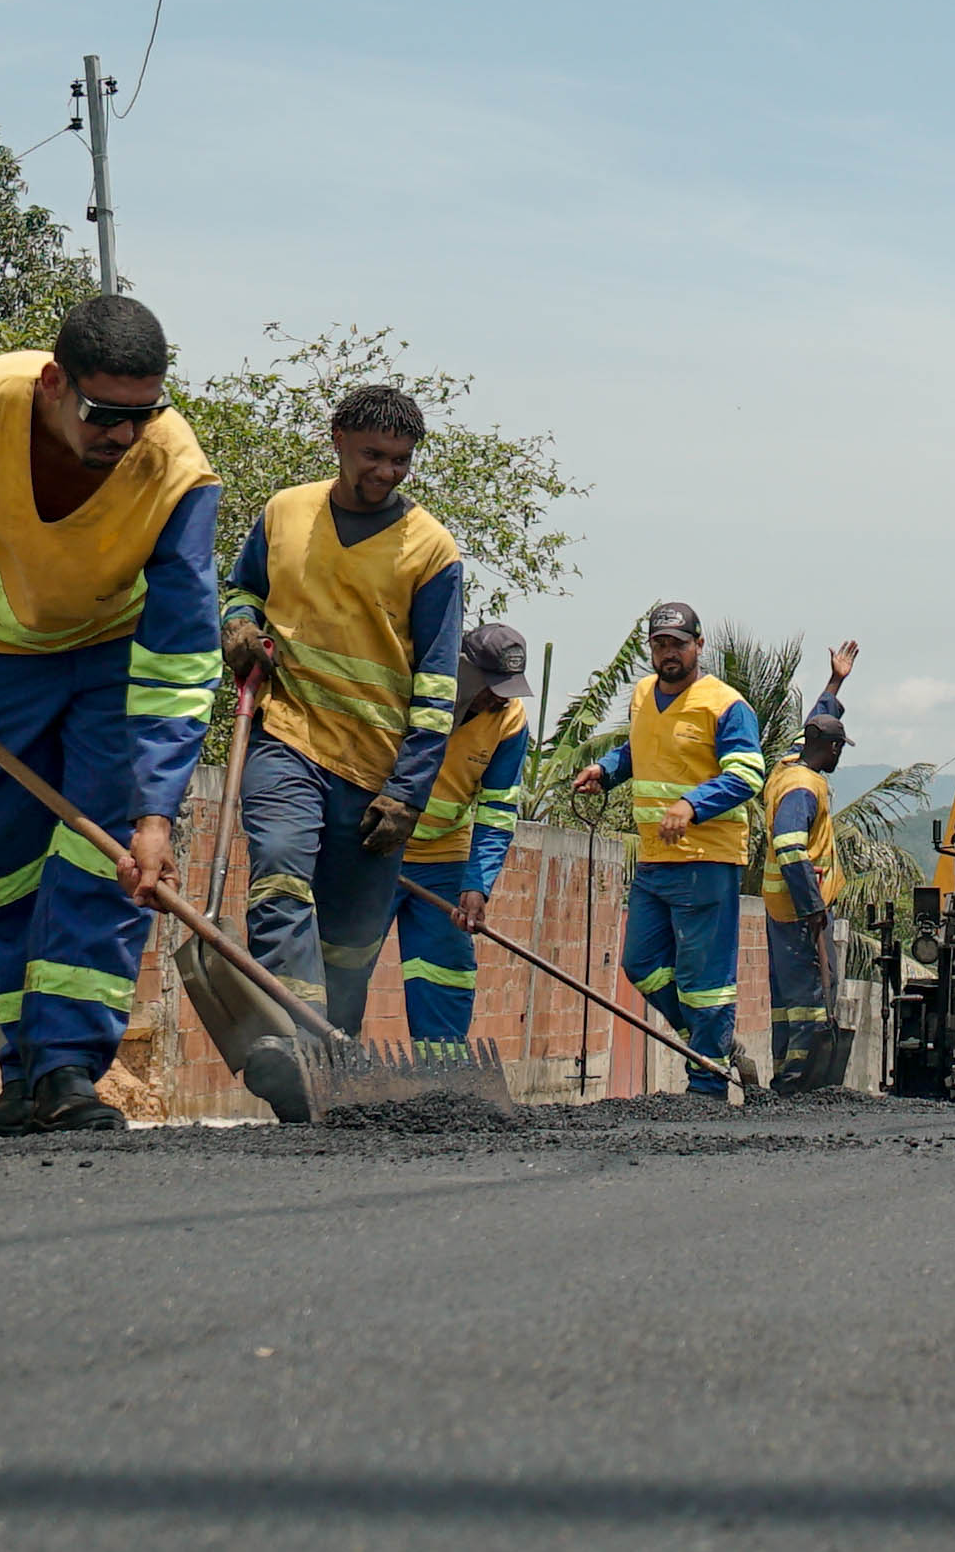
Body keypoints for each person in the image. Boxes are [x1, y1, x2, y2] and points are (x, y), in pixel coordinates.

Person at [0, 295, 222, 1137]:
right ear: (53, 383)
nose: (125, 437)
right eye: (106, 415)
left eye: (146, 416)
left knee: (99, 855)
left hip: (115, 655)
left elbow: (181, 654)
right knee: (10, 866)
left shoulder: (178, 475)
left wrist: (155, 813)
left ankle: (70, 1069)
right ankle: (20, 1074)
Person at [217, 387, 465, 1034]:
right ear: (338, 440)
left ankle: (326, 1071)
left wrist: (408, 793)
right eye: (373, 455)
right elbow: (245, 588)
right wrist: (239, 626)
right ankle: (294, 1034)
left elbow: (438, 687)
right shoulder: (284, 513)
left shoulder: (432, 552)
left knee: (349, 949)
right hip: (285, 738)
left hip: (374, 776)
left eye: (401, 461)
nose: (385, 472)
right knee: (277, 872)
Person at [568, 601, 766, 1099]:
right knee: (641, 964)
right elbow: (638, 749)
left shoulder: (725, 705)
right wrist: (607, 772)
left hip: (707, 861)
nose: (668, 653)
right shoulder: (641, 695)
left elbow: (747, 775)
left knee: (705, 979)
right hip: (655, 859)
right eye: (660, 644)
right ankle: (711, 1047)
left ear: (699, 646)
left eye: (678, 643)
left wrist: (693, 805)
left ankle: (706, 1086)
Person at [392, 617, 537, 1045]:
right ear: (463, 667)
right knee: (343, 960)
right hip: (375, 850)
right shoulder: (412, 686)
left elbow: (496, 811)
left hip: (442, 858)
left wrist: (478, 883)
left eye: (507, 686)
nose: (499, 698)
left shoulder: (510, 721)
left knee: (445, 971)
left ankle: (441, 1089)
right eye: (492, 684)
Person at [756, 641, 859, 1094]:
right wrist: (813, 907)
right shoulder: (802, 787)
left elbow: (812, 721)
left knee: (787, 999)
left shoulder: (789, 762)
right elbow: (790, 847)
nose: (839, 756)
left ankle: (786, 1070)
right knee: (809, 999)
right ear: (830, 749)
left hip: (783, 907)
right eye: (839, 748)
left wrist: (836, 681)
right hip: (800, 910)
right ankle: (800, 1081)